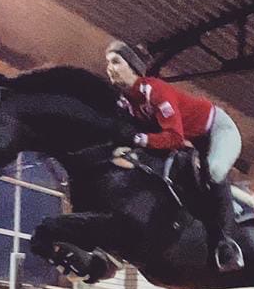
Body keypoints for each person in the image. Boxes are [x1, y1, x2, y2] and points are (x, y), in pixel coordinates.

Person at [105, 40, 245, 273]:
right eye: (108, 62)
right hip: (191, 139)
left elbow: (174, 137)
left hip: (217, 129)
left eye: (116, 62)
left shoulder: (155, 91)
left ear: (132, 66)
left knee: (214, 171)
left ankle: (226, 243)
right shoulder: (125, 102)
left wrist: (139, 139)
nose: (109, 68)